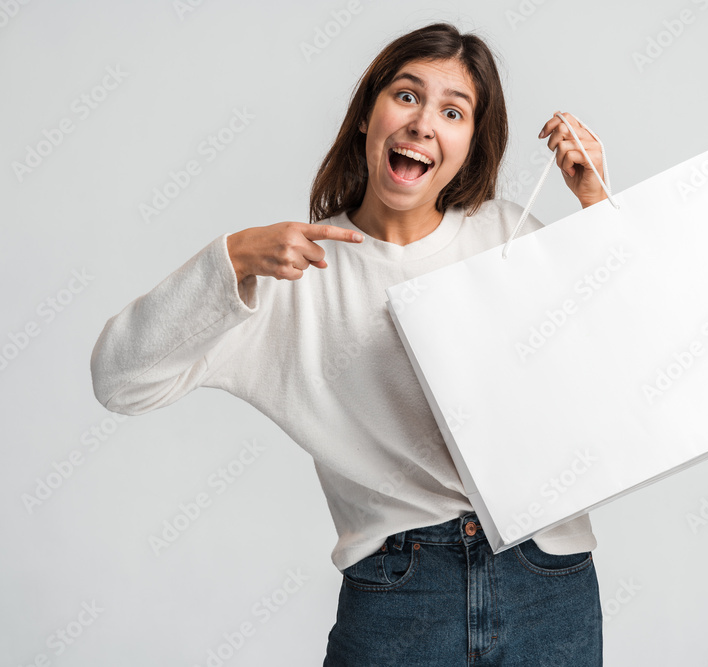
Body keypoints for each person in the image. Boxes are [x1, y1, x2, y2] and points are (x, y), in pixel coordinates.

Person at [91, 21, 610, 666]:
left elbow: (621, 357)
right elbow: (118, 380)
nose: (424, 123)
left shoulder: (507, 234)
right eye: (407, 95)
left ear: (471, 145)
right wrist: (228, 261)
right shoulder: (291, 273)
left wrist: (595, 204)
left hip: (547, 581)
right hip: (401, 596)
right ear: (368, 115)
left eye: (453, 111)